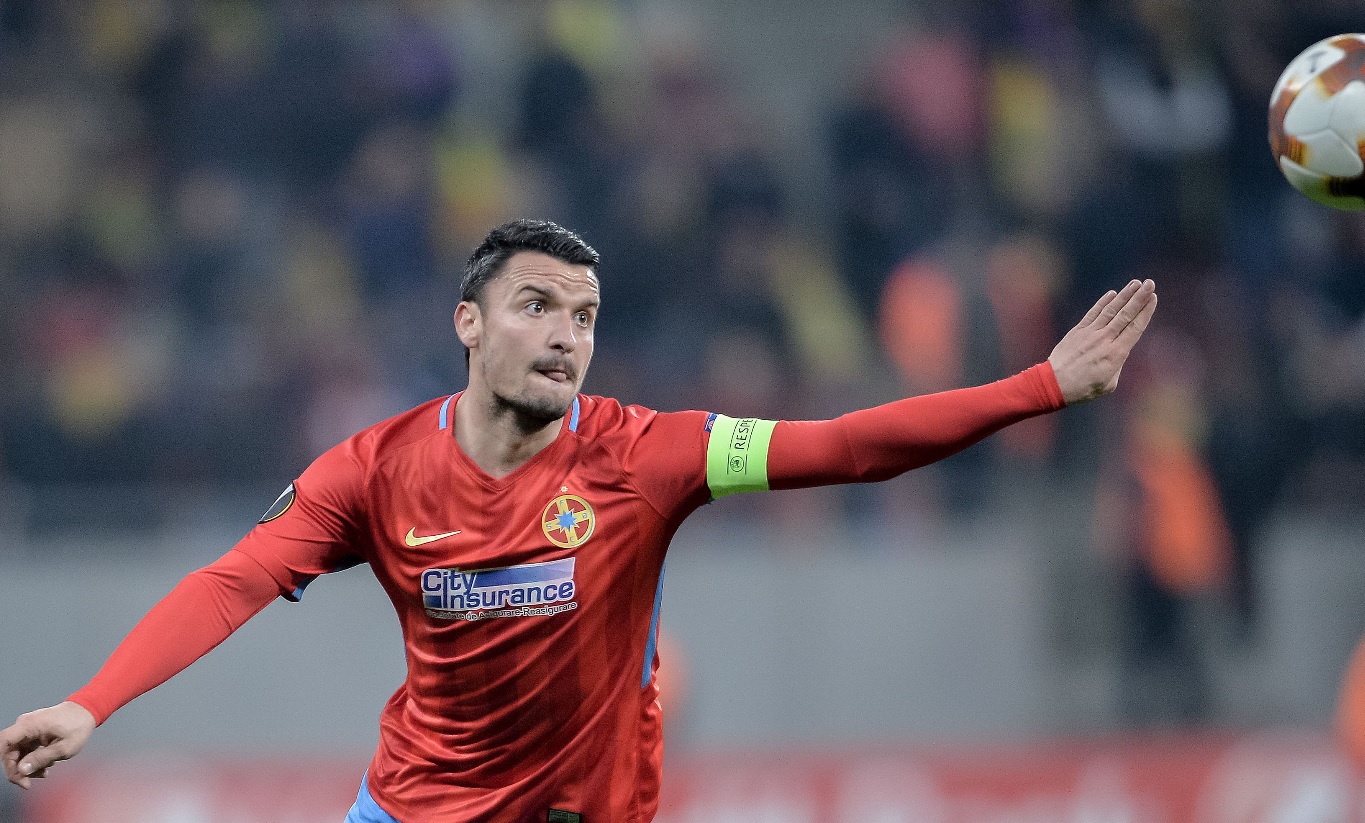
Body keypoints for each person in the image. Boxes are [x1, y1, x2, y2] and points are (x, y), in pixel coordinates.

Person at [2, 219, 1158, 823]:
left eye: (586, 315)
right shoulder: (371, 470)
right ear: (469, 322)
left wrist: (1041, 386)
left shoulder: (651, 455)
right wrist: (90, 702)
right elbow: (232, 581)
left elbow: (848, 446)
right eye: (537, 305)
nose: (566, 333)